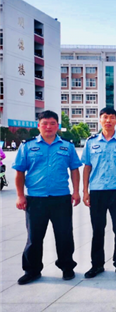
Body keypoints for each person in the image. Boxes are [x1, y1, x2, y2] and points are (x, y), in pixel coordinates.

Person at [12, 111, 82, 285]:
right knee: (34, 237)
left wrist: (76, 191)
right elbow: (19, 172)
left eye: (52, 123)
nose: (48, 127)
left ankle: (67, 267)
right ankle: (32, 270)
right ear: (39, 126)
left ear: (57, 126)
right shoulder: (27, 146)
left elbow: (74, 169)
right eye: (44, 123)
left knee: (64, 235)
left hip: (61, 198)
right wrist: (20, 196)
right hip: (35, 199)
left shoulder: (67, 146)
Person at [81, 107, 116, 279]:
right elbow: (87, 168)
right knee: (97, 229)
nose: (108, 120)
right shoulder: (91, 142)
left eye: (112, 117)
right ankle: (97, 265)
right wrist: (85, 191)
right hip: (97, 191)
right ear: (100, 120)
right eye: (105, 117)